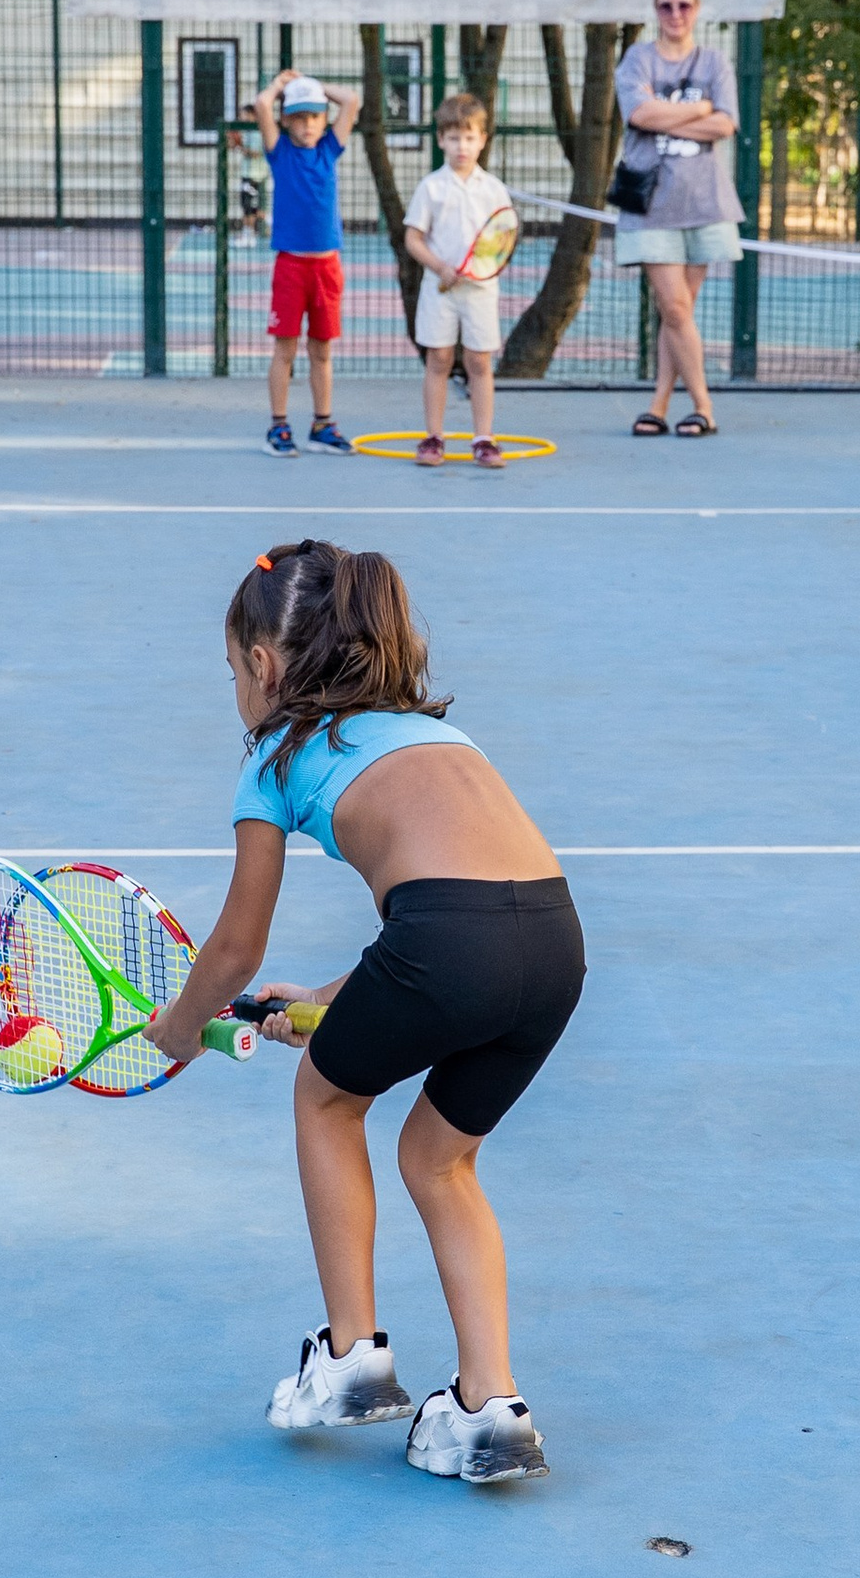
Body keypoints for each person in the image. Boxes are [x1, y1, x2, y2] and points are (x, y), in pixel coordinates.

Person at [148, 540, 584, 1486]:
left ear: (263, 666)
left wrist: (183, 1027)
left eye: (231, 670)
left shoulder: (274, 754)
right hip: (553, 945)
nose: (234, 689)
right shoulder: (440, 737)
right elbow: (464, 908)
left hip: (444, 944)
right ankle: (488, 1409)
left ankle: (350, 1354)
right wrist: (326, 998)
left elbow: (234, 950)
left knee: (325, 1099)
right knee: (440, 1156)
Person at [614, 0, 733, 437]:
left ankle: (660, 405)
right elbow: (639, 115)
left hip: (704, 200)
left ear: (696, 10)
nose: (676, 14)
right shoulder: (638, 59)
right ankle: (704, 405)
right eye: (666, 6)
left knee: (678, 311)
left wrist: (672, 120)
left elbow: (727, 125)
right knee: (676, 307)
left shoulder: (714, 62)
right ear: (655, 11)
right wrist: (699, 111)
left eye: (684, 5)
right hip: (651, 204)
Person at [249, 66, 360, 453]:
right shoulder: (280, 153)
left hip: (327, 267)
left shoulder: (330, 149)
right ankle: (278, 426)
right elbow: (262, 103)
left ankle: (322, 424)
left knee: (322, 349)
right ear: (286, 120)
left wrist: (315, 86)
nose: (308, 124)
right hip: (292, 266)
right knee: (285, 349)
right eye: (299, 117)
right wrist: (283, 85)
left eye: (314, 116)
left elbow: (352, 100)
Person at [401, 90, 512, 465]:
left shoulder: (494, 189)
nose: (461, 146)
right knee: (439, 359)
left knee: (480, 363)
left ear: (482, 140)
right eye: (453, 138)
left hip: (480, 291)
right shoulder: (431, 187)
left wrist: (481, 266)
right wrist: (441, 267)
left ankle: (483, 438)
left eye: (469, 137)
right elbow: (413, 238)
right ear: (440, 140)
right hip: (440, 290)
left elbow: (502, 239)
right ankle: (433, 437)